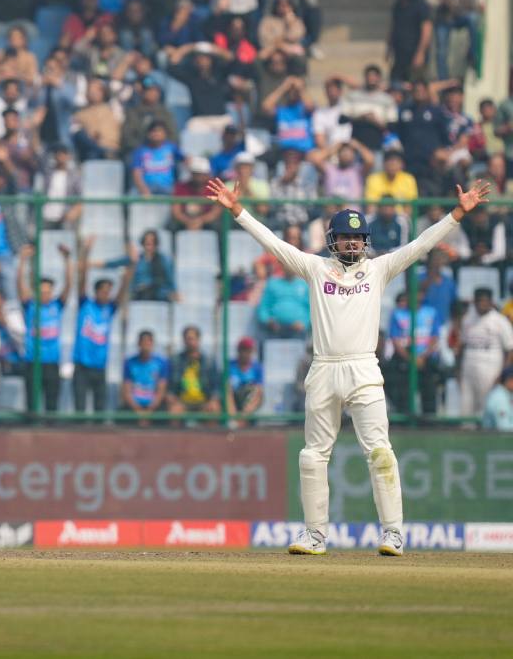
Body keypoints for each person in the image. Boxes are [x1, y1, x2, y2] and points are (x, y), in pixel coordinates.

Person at [206, 174, 492, 557]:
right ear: (333, 240)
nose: (352, 242)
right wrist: (238, 211)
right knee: (312, 455)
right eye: (345, 237)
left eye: (358, 237)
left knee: (380, 453)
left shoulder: (378, 270)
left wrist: (457, 213)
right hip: (324, 368)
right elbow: (274, 244)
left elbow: (420, 245)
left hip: (363, 370)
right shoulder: (315, 269)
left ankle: (393, 534)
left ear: (365, 241)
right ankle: (314, 536)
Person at [73, 236, 132, 413]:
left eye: (109, 292)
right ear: (96, 291)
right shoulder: (85, 305)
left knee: (100, 411)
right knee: (80, 409)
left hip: (100, 367)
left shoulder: (110, 309)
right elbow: (82, 277)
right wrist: (86, 252)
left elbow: (123, 289)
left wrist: (131, 266)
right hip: (82, 366)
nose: (106, 294)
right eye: (103, 291)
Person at [17, 244, 72, 413]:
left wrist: (66, 260)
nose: (45, 295)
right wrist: (23, 261)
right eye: (42, 291)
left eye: (48, 291)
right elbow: (19, 285)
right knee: (32, 406)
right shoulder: (31, 306)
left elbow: (69, 286)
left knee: (51, 405)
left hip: (51, 363)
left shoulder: (57, 306)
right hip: (33, 362)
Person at [458, 287, 513, 417]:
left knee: (486, 405)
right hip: (469, 367)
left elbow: (510, 349)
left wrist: (503, 374)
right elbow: (463, 346)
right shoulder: (468, 319)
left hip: (490, 368)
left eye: (485, 301)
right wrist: (458, 370)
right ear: (474, 302)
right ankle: (466, 434)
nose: (482, 304)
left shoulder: (499, 320)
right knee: (466, 406)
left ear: (490, 302)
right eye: (479, 301)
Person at [166, 326, 221, 417]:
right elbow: (170, 386)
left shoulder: (209, 361)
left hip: (203, 401)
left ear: (199, 340)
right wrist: (172, 398)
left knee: (214, 409)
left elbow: (216, 386)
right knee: (174, 411)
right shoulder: (176, 360)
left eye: (192, 339)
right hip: (182, 402)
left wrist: (213, 401)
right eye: (187, 339)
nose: (190, 342)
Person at [121, 330, 169, 425]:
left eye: (149, 341)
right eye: (143, 342)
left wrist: (149, 411)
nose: (146, 345)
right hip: (134, 406)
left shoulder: (161, 363)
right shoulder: (129, 363)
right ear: (138, 343)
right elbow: (126, 391)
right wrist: (138, 411)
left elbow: (161, 391)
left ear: (153, 343)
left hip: (154, 407)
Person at [227, 337, 264, 422]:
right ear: (238, 351)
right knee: (227, 389)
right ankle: (233, 418)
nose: (246, 353)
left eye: (249, 350)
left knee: (257, 392)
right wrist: (232, 411)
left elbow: (259, 390)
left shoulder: (257, 367)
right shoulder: (230, 365)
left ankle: (244, 417)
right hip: (234, 398)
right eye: (243, 350)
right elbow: (227, 388)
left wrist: (247, 410)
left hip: (248, 399)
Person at [481, 367, 513, 431]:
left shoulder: (507, 394)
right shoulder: (499, 398)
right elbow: (504, 428)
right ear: (509, 380)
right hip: (493, 439)